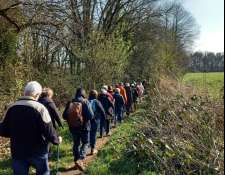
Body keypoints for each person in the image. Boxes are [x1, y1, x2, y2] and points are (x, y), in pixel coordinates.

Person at [0, 81, 62, 175]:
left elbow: (3, 131)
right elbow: (49, 132)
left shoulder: (11, 108)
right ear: (37, 94)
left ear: (25, 92)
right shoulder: (40, 108)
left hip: (18, 152)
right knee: (43, 172)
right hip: (37, 151)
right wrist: (57, 140)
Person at [62, 88, 94, 171]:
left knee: (76, 144)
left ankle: (76, 160)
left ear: (76, 94)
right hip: (84, 127)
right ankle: (80, 158)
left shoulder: (70, 102)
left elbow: (64, 116)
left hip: (73, 127)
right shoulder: (85, 102)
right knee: (86, 142)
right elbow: (90, 116)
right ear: (83, 94)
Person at [38, 87, 64, 158]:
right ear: (49, 95)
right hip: (48, 123)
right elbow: (56, 114)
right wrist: (60, 123)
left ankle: (45, 152)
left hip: (37, 123)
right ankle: (46, 154)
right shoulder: (49, 101)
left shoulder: (37, 101)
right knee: (48, 139)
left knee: (40, 138)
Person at [88, 90, 106, 155]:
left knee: (89, 132)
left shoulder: (86, 101)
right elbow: (102, 110)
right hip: (95, 119)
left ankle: (89, 143)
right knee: (94, 133)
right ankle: (93, 148)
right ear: (96, 95)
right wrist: (104, 118)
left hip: (87, 120)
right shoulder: (97, 102)